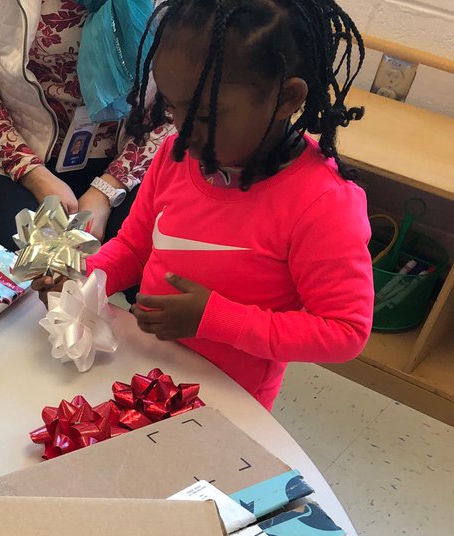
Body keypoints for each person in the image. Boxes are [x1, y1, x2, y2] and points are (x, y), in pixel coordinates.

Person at [82, 0, 374, 410]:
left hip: (230, 402)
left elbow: (344, 331)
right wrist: (85, 279)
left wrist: (214, 320)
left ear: (287, 97)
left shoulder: (323, 202)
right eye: (171, 104)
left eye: (205, 113)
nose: (181, 127)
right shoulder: (175, 155)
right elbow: (133, 248)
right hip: (147, 370)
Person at [0, 0, 174, 247]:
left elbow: (179, 100)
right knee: (30, 264)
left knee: (151, 257)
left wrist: (108, 188)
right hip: (10, 157)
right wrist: (31, 173)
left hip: (130, 156)